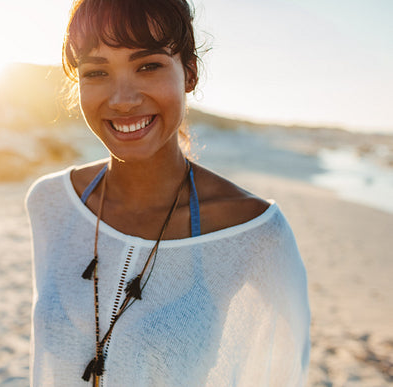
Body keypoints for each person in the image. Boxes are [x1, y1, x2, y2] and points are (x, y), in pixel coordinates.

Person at [26, 0, 311, 385]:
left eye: (148, 66)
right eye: (97, 72)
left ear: (189, 73)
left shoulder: (254, 233)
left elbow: (280, 372)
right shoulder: (50, 203)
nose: (122, 99)